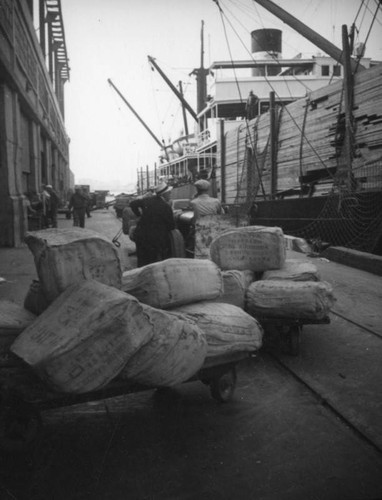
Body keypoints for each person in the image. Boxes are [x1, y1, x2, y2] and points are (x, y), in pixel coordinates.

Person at [130, 181, 175, 267]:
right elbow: (171, 226)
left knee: (142, 262)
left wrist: (139, 215)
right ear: (163, 194)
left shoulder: (147, 200)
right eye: (169, 193)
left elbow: (132, 204)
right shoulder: (166, 207)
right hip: (155, 240)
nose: (170, 195)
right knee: (152, 264)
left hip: (141, 236)